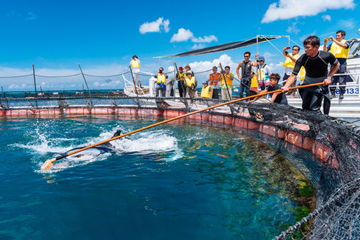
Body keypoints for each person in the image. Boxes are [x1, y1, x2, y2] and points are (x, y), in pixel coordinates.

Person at [281, 36, 340, 115]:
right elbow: (293, 75)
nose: (305, 50)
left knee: (314, 108)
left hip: (320, 85)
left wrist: (329, 77)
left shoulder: (326, 55)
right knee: (305, 107)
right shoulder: (302, 58)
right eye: (305, 47)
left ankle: (317, 125)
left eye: (308, 48)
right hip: (307, 84)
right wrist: (286, 86)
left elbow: (337, 65)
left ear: (316, 47)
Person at [323, 30, 351, 99]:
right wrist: (325, 43)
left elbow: (345, 46)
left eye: (338, 36)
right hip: (333, 61)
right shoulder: (332, 44)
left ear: (343, 36)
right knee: (333, 77)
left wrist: (334, 40)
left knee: (342, 77)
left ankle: (342, 93)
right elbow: (325, 50)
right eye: (336, 36)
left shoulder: (347, 42)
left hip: (342, 61)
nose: (337, 37)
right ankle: (332, 93)